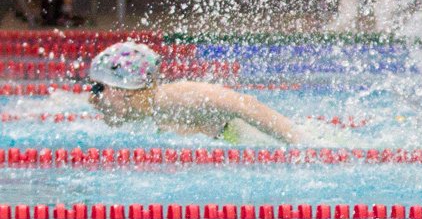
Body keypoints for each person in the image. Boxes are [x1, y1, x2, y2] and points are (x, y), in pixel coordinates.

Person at [87, 42, 303, 144]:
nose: (92, 99)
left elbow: (244, 104)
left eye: (98, 88)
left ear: (122, 89)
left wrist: (300, 143)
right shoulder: (126, 114)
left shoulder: (180, 97)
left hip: (252, 141)